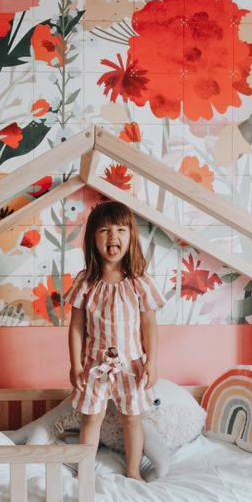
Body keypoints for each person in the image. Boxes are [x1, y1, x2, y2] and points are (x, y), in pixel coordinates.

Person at [65, 200, 166, 480]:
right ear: (93, 238)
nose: (113, 236)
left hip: (131, 365)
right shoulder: (86, 282)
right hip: (94, 364)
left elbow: (149, 324)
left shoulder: (138, 281)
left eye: (121, 230)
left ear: (130, 236)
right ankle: (85, 471)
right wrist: (75, 365)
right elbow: (76, 327)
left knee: (132, 418)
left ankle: (133, 471)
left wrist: (151, 361)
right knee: (91, 417)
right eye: (105, 230)